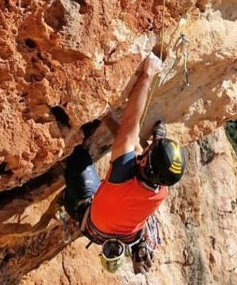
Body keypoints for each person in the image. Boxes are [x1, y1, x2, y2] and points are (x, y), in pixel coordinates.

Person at [63, 52, 186, 275]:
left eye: (150, 150)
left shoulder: (123, 174)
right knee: (128, 146)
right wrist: (109, 121)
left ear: (146, 163)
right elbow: (134, 147)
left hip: (93, 222)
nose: (146, 149)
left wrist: (148, 74)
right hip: (121, 232)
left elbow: (131, 124)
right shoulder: (160, 190)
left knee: (76, 157)